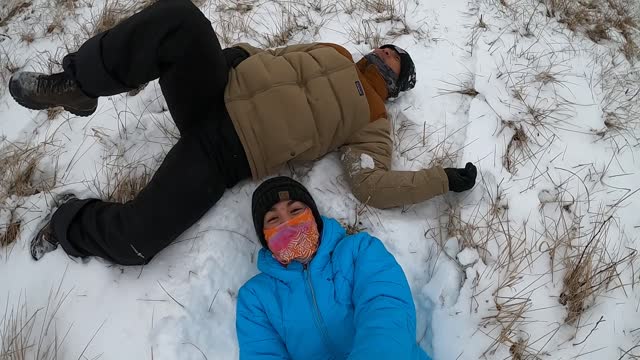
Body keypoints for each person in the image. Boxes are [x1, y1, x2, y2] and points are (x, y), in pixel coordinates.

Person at [8, 0, 477, 265]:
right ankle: (77, 84)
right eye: (386, 46)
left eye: (395, 57)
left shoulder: (374, 120)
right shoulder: (335, 50)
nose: (385, 51)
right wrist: (234, 55)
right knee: (183, 20)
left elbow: (371, 184)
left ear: (396, 82)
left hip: (227, 153)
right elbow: (274, 55)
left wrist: (441, 180)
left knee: (139, 239)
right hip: (215, 90)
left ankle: (68, 221)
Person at [236, 176, 431, 359]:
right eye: (273, 219)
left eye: (295, 210)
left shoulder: (360, 250)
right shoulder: (255, 297)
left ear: (314, 216)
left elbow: (388, 312)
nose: (287, 223)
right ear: (264, 236)